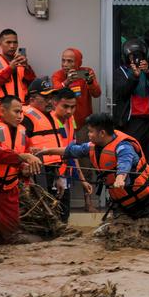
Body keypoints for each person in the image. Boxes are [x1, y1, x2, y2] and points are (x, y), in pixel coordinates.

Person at [39, 112, 149, 220]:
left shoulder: (124, 146)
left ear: (102, 133)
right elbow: (71, 151)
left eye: (91, 131)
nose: (88, 135)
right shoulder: (92, 146)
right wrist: (46, 151)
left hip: (146, 201)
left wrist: (120, 178)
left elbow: (125, 162)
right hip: (123, 204)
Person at [112, 38, 149, 175]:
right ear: (126, 56)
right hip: (131, 123)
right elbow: (121, 93)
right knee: (132, 157)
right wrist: (134, 77)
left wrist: (148, 72)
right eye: (132, 55)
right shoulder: (121, 72)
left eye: (139, 55)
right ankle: (134, 192)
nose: (136, 59)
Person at [52, 47, 101, 212]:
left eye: (70, 61)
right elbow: (55, 94)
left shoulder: (86, 73)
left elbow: (97, 93)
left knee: (86, 164)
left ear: (78, 62)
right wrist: (66, 82)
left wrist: (90, 81)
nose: (65, 64)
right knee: (62, 162)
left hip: (83, 127)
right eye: (63, 60)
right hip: (63, 126)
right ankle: (60, 204)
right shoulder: (58, 75)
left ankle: (88, 202)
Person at [21, 78, 77, 221]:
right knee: (40, 213)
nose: (50, 101)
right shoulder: (25, 118)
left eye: (51, 97)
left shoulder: (50, 117)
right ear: (32, 98)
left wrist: (58, 176)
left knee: (56, 212)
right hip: (36, 173)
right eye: (46, 97)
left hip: (52, 172)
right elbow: (20, 149)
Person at [0, 95, 42, 244]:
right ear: (2, 110)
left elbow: (22, 160)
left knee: (10, 238)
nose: (20, 116)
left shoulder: (23, 134)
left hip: (9, 189)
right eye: (16, 112)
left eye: (21, 112)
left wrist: (25, 169)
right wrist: (24, 157)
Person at [51, 92, 93, 220]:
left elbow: (73, 152)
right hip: (51, 174)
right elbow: (51, 155)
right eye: (65, 106)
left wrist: (83, 180)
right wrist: (58, 176)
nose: (69, 111)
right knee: (54, 213)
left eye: (73, 107)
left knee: (64, 213)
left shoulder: (70, 120)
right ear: (54, 103)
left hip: (65, 174)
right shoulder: (50, 122)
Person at [0, 29, 36, 103]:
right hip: (2, 107)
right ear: (0, 44)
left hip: (21, 106)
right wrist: (9, 69)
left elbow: (34, 86)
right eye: (8, 42)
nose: (12, 46)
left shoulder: (22, 62)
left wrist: (27, 68)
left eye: (15, 42)